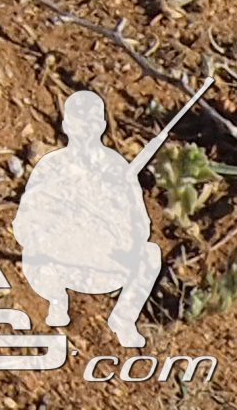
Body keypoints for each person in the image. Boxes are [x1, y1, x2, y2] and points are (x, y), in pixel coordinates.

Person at [16, 91, 162, 348]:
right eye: (80, 122)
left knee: (150, 254)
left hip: (100, 259)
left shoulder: (117, 167)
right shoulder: (53, 165)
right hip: (57, 257)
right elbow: (24, 223)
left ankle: (123, 319)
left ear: (102, 125)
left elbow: (142, 224)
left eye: (93, 122)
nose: (86, 129)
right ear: (67, 125)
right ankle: (57, 303)